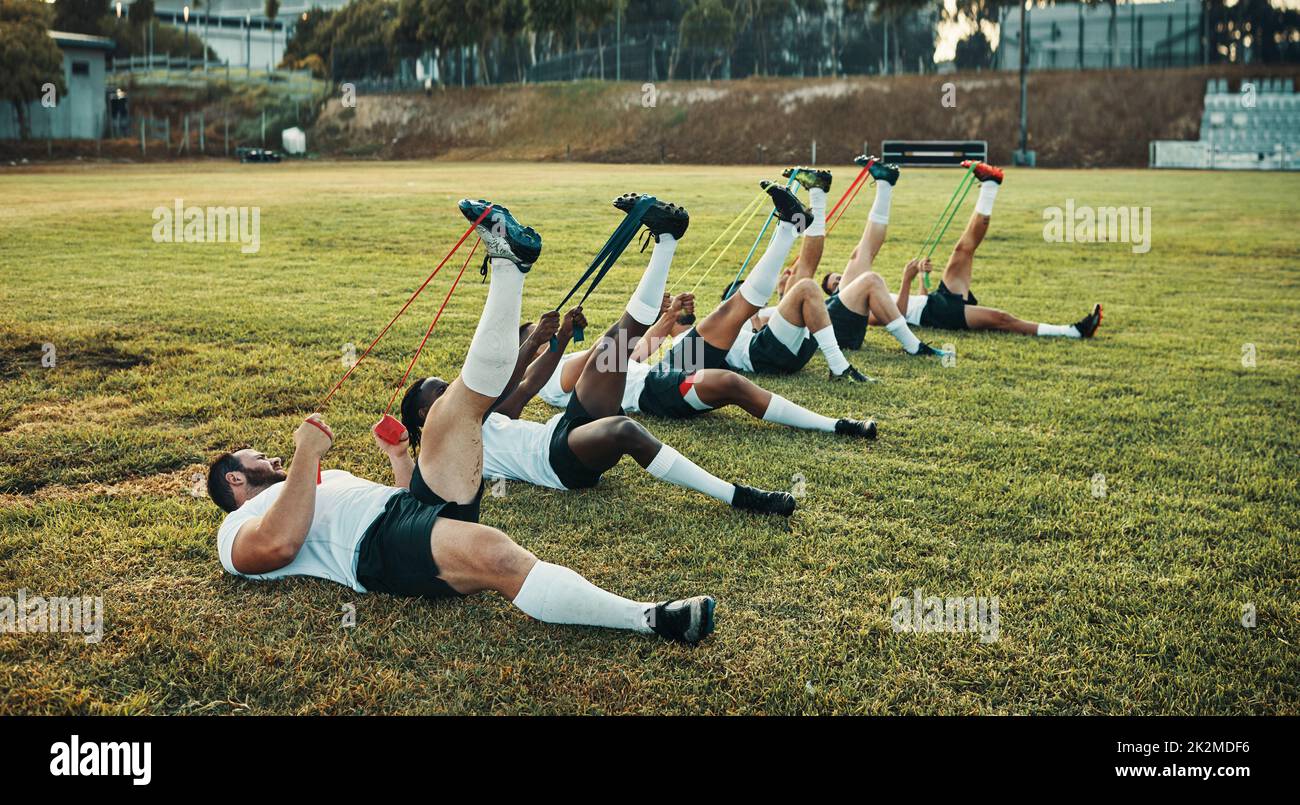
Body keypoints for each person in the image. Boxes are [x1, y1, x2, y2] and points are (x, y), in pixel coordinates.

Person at [206, 199, 715, 644]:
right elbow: (279, 545)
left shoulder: (312, 485)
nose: (268, 458)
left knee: (454, 407)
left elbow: (397, 496)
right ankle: (649, 619)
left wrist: (400, 457)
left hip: (407, 508)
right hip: (380, 549)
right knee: (497, 554)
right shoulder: (236, 530)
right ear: (235, 477)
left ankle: (509, 264)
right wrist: (304, 454)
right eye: (256, 458)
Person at [401, 194, 799, 517]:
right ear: (424, 416)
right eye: (440, 391)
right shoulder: (446, 451)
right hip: (560, 463)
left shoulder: (485, 417)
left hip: (566, 427)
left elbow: (525, 387)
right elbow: (410, 491)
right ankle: (738, 496)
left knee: (617, 341)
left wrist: (557, 341)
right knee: (626, 429)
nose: (452, 388)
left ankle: (666, 238)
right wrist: (398, 452)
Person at [821, 161, 1103, 338]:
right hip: (937, 316)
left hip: (936, 300)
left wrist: (920, 277)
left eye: (836, 276)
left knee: (963, 250)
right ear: (836, 292)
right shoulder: (856, 305)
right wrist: (905, 280)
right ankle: (1073, 331)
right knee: (1001, 320)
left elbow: (914, 301)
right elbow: (895, 318)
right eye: (835, 282)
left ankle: (990, 184)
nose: (839, 279)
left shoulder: (868, 286)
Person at [534, 293, 879, 438]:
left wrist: (668, 317)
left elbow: (637, 351)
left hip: (664, 367)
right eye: (536, 337)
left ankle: (787, 226)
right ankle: (836, 425)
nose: (545, 337)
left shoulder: (561, 362)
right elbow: (607, 353)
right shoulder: (550, 380)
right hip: (654, 392)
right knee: (730, 383)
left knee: (728, 312)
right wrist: (563, 335)